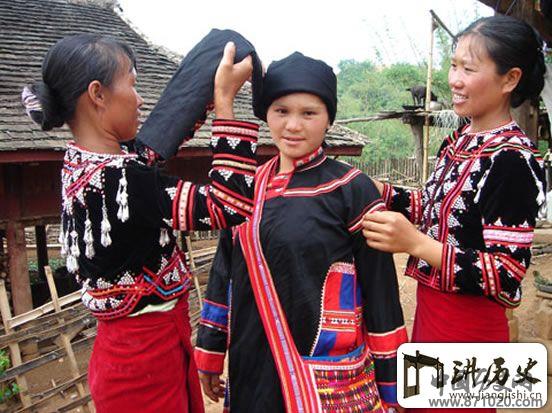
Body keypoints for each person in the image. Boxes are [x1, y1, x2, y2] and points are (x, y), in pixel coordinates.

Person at [22, 34, 258, 412]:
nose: (140, 99)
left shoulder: (80, 162)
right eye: (132, 85)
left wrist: (202, 87)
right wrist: (225, 102)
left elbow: (149, 146)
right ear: (98, 94)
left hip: (129, 355)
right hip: (145, 368)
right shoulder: (126, 180)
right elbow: (227, 205)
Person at [194, 52, 408, 412]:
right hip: (252, 365)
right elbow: (224, 272)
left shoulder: (351, 188)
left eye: (309, 113)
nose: (293, 125)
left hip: (325, 373)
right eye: (281, 111)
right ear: (266, 114)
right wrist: (211, 350)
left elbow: (381, 289)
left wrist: (394, 385)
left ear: (329, 119)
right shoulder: (245, 188)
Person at [362, 15, 546, 412]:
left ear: (510, 79)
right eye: (453, 65)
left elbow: (505, 272)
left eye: (469, 69)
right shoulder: (458, 141)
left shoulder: (511, 160)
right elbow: (433, 210)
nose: (454, 80)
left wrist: (415, 243)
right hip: (432, 316)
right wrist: (378, 191)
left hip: (470, 330)